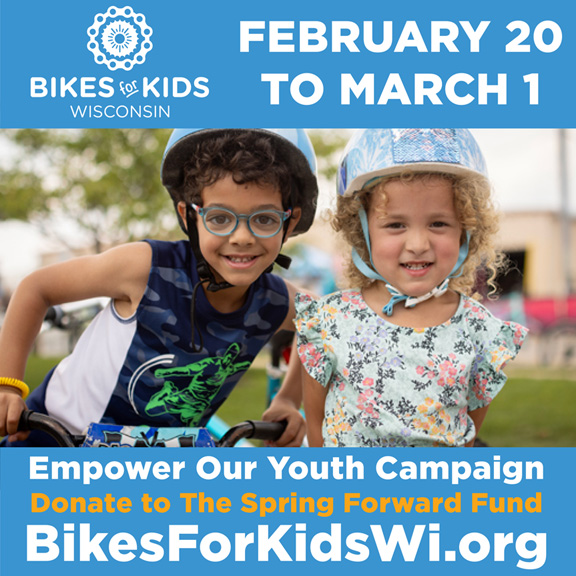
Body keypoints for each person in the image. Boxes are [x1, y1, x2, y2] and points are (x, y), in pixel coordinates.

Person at [0, 128, 318, 447]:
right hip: (53, 440)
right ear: (189, 216)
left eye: (264, 220)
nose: (242, 237)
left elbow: (325, 327)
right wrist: (8, 387)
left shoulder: (274, 300)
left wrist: (288, 400)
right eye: (220, 218)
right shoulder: (145, 267)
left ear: (289, 224)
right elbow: (36, 288)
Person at [295, 128, 528, 447]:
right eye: (395, 225)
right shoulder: (331, 319)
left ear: (465, 231)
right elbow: (316, 426)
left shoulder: (479, 330)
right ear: (363, 231)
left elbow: (466, 436)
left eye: (438, 223)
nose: (418, 244)